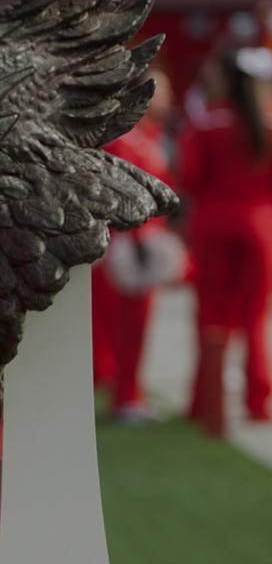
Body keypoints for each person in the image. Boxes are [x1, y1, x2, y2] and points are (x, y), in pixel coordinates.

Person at [182, 45, 272, 422]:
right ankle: (257, 400)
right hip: (259, 228)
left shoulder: (205, 124)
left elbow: (188, 178)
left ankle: (205, 403)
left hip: (213, 226)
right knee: (254, 318)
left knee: (210, 316)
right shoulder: (264, 127)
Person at [92, 69, 185, 421]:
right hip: (125, 246)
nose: (170, 97)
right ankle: (125, 397)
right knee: (124, 327)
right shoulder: (125, 139)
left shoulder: (152, 136)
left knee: (137, 326)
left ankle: (129, 393)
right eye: (163, 91)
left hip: (146, 241)